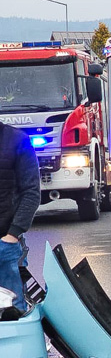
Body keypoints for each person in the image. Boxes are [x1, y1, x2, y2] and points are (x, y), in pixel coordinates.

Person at [0, 121, 40, 314]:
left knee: (13, 314)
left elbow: (31, 192)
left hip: (6, 246)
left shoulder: (18, 140)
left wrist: (12, 235)